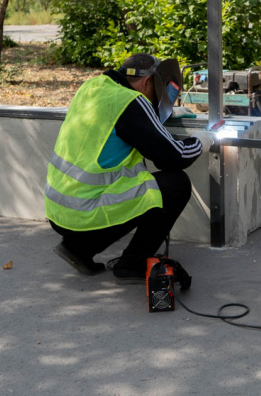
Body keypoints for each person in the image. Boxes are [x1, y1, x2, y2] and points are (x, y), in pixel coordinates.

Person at [44, 53, 202, 281]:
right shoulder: (132, 102)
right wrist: (201, 141)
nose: (155, 100)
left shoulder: (94, 86)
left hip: (60, 211)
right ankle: (132, 264)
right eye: (156, 92)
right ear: (147, 82)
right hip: (85, 213)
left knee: (118, 194)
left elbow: (123, 120)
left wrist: (159, 117)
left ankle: (78, 249)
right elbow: (173, 157)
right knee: (175, 184)